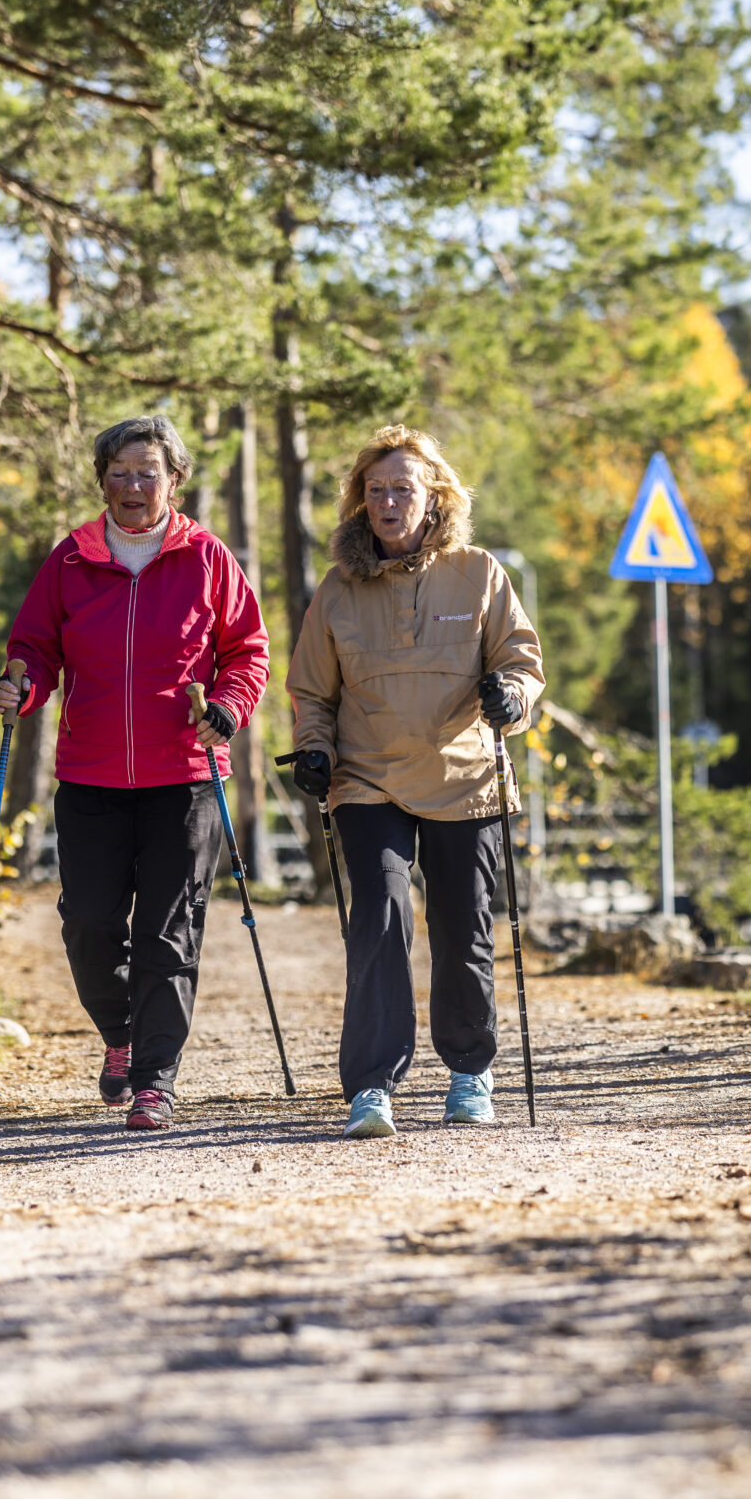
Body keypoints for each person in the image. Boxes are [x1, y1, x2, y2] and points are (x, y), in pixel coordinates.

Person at [0, 415, 270, 1132]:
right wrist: (22, 688)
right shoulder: (72, 560)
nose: (133, 486)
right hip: (90, 778)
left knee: (168, 933)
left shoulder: (208, 558)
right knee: (87, 924)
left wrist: (231, 708)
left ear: (174, 480)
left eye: (147, 472)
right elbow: (35, 647)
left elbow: (247, 650)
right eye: (119, 473)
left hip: (184, 774)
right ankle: (120, 1036)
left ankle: (154, 1080)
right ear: (103, 481)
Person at [286, 424, 542, 1137]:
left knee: (462, 929)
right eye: (376, 491)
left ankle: (469, 1073)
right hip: (367, 779)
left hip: (464, 779)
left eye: (403, 488)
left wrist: (513, 698)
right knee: (380, 918)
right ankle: (371, 1086)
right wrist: (313, 750)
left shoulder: (479, 572)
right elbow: (312, 692)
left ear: (434, 496)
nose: (389, 502)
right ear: (360, 504)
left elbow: (522, 662)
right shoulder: (339, 588)